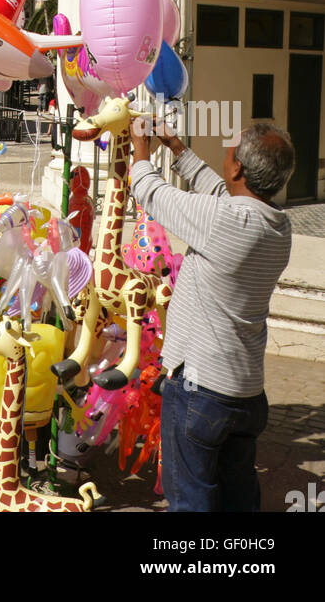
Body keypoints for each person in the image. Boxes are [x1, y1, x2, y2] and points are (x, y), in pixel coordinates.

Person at [129, 117, 295, 513]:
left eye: (230, 148)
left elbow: (151, 193)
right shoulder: (278, 226)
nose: (226, 152)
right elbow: (225, 194)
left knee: (192, 499)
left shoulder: (222, 220)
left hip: (201, 393)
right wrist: (176, 148)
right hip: (246, 393)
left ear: (237, 166)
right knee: (239, 496)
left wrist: (140, 151)